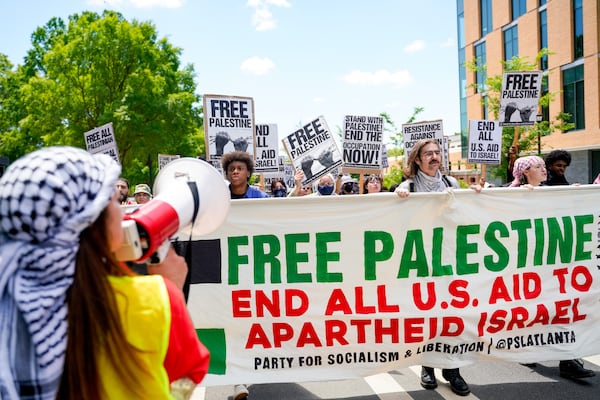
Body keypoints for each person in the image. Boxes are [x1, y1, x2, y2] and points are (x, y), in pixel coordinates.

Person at [0, 146, 209, 399]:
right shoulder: (155, 299)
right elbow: (184, 379)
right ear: (94, 222)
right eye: (110, 199)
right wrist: (172, 290)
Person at [395, 139, 481, 396]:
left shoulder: (451, 184)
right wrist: (398, 198)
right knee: (427, 315)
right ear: (417, 159)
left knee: (452, 313)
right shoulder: (407, 186)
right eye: (427, 154)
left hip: (449, 258)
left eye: (436, 153)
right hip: (421, 261)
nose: (434, 157)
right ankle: (428, 366)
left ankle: (452, 370)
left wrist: (478, 196)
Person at [509, 155, 596, 380]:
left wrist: (576, 195)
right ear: (526, 172)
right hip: (525, 266)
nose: (544, 169)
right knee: (531, 312)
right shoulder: (509, 194)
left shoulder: (553, 191)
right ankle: (524, 348)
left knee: (562, 308)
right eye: (537, 167)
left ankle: (568, 360)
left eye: (542, 166)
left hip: (552, 264)